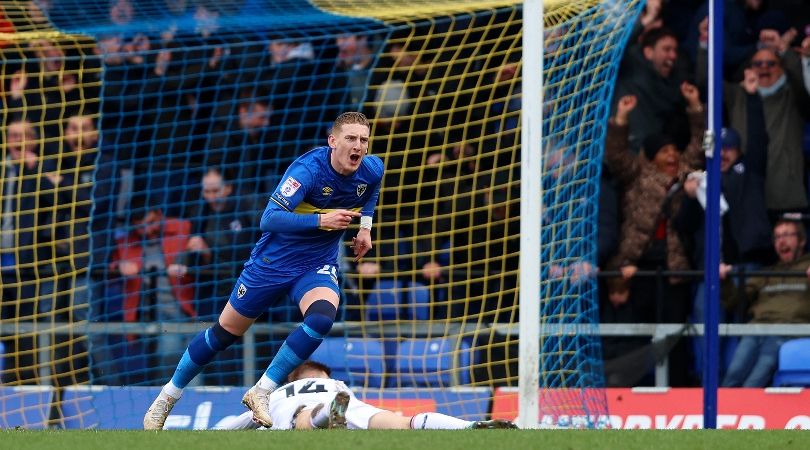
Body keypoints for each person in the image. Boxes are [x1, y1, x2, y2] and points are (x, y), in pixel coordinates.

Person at [144, 112, 383, 430]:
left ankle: (262, 390)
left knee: (322, 317)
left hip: (316, 265)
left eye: (363, 140)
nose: (358, 146)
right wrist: (320, 220)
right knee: (224, 334)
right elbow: (268, 219)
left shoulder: (372, 168)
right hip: (272, 263)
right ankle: (166, 398)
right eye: (351, 139)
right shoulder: (308, 169)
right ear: (333, 141)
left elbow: (371, 190)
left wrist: (365, 228)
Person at [213, 360, 517, 430]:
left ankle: (322, 417)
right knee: (401, 423)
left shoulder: (278, 392)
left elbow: (234, 425)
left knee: (300, 421)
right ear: (323, 375)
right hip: (347, 405)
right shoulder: (337, 383)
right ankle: (468, 427)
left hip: (296, 410)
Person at [721, 218, 810, 387]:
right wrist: (724, 281)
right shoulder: (767, 273)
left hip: (788, 331)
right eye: (777, 237)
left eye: (787, 235)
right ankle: (724, 412)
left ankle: (744, 411)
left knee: (758, 375)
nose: (781, 241)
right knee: (733, 373)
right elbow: (734, 302)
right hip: (756, 330)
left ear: (802, 240)